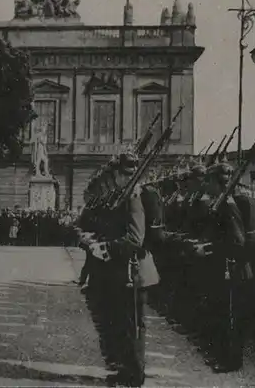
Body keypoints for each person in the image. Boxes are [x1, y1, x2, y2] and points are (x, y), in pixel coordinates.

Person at [82, 152, 160, 387]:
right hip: (121, 271)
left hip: (133, 271)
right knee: (122, 324)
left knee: (133, 327)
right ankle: (126, 371)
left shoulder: (133, 197)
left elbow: (135, 238)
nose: (114, 179)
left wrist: (105, 246)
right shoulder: (122, 196)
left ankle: (134, 377)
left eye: (116, 174)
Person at [194, 162, 255, 373]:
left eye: (209, 181)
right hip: (226, 266)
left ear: (216, 182)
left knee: (229, 315)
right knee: (222, 312)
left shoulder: (228, 205)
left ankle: (231, 361)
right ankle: (223, 356)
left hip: (232, 268)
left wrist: (209, 248)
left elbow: (236, 242)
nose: (207, 186)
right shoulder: (223, 201)